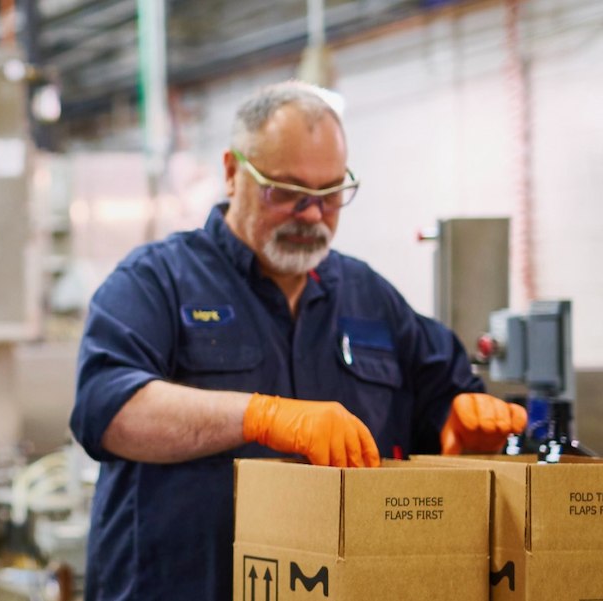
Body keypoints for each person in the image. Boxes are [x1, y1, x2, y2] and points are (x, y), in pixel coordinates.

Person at [69, 81, 525, 600]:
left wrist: (466, 421)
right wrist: (264, 416)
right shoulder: (155, 281)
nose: (311, 215)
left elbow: (445, 400)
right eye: (285, 192)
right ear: (232, 171)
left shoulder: (369, 298)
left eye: (330, 194)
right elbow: (110, 411)